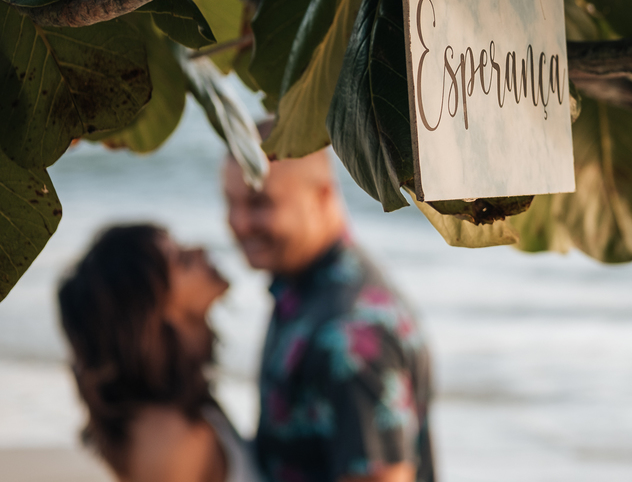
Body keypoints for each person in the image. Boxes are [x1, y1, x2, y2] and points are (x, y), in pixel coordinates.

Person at [223, 145, 434, 482]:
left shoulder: (349, 336)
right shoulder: (302, 289)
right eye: (229, 202)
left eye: (259, 203)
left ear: (321, 196)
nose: (239, 222)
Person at [57, 223, 259, 482]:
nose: (201, 249)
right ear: (155, 315)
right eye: (182, 260)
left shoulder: (179, 400)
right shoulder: (171, 444)